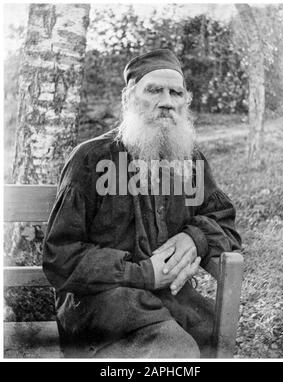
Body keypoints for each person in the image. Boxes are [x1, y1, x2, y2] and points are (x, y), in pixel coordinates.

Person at [43, 49, 241, 358]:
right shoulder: (91, 159)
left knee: (209, 337)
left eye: (176, 92)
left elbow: (223, 218)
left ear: (184, 101)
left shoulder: (190, 160)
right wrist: (143, 273)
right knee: (175, 350)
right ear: (129, 98)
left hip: (167, 299)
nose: (166, 101)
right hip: (101, 302)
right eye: (154, 90)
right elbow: (60, 256)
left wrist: (196, 237)